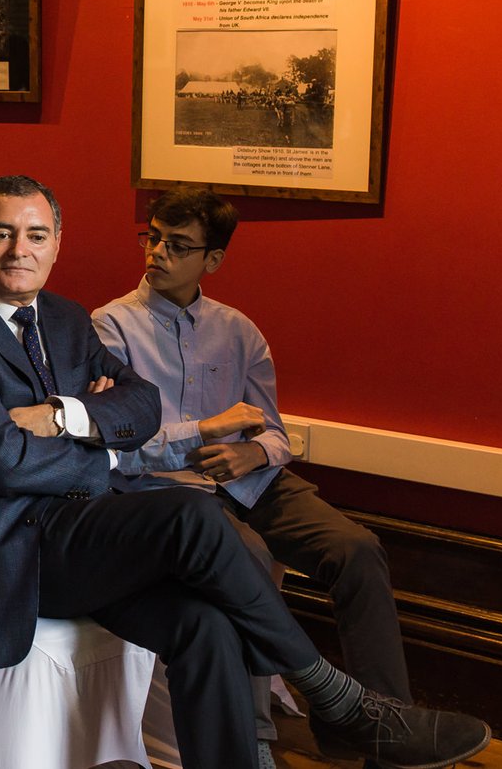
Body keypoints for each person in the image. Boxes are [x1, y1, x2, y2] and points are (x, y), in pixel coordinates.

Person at [0, 175, 490, 769]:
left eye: (35, 234)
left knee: (205, 626)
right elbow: (4, 462)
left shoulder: (64, 317)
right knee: (191, 511)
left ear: (58, 243)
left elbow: (142, 405)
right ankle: (335, 696)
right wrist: (101, 444)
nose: (18, 250)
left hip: (85, 525)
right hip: (14, 549)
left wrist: (66, 413)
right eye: (1, 233)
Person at [93, 187, 413, 768]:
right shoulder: (110, 328)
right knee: (246, 558)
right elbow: (117, 449)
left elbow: (275, 434)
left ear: (213, 260)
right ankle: (255, 742)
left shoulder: (238, 331)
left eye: (179, 244)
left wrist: (254, 457)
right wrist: (203, 432)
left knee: (358, 548)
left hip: (251, 482)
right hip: (171, 491)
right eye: (154, 237)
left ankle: (381, 735)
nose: (158, 252)